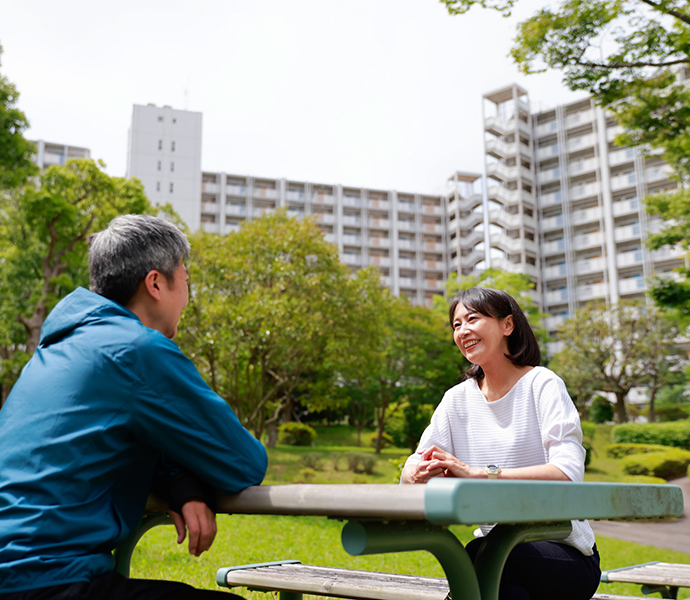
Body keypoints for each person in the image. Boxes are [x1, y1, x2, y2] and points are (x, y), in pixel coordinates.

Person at [0, 215, 268, 599]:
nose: (188, 297)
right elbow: (244, 463)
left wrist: (177, 482)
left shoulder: (55, 350)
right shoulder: (137, 349)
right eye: (186, 281)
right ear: (156, 283)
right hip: (46, 580)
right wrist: (183, 477)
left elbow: (104, 436)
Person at [401, 287, 600, 600]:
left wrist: (480, 473)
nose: (463, 330)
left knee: (484, 554)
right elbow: (412, 467)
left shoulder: (542, 384)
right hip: (497, 554)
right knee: (505, 591)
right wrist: (417, 472)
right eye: (456, 325)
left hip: (565, 555)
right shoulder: (456, 400)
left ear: (508, 325)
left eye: (473, 319)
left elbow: (568, 472)